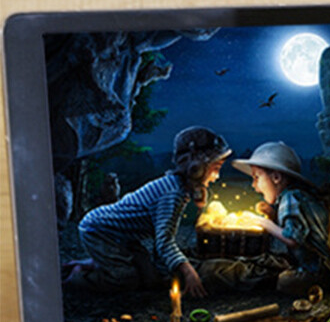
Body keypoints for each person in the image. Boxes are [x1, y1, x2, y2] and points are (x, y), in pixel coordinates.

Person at [68, 125, 230, 296]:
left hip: (124, 235)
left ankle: (102, 261)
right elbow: (164, 242)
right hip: (100, 230)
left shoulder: (176, 186)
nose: (217, 176)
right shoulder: (173, 194)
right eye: (215, 169)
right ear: (196, 167)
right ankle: (76, 277)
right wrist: (188, 272)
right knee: (125, 279)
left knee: (150, 278)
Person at [234, 142, 330, 295]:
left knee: (284, 282)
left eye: (257, 177)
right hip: (316, 266)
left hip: (317, 269)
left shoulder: (290, 198)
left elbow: (293, 239)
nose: (254, 185)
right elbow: (293, 226)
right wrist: (272, 215)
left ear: (276, 177)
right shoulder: (296, 196)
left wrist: (264, 223)